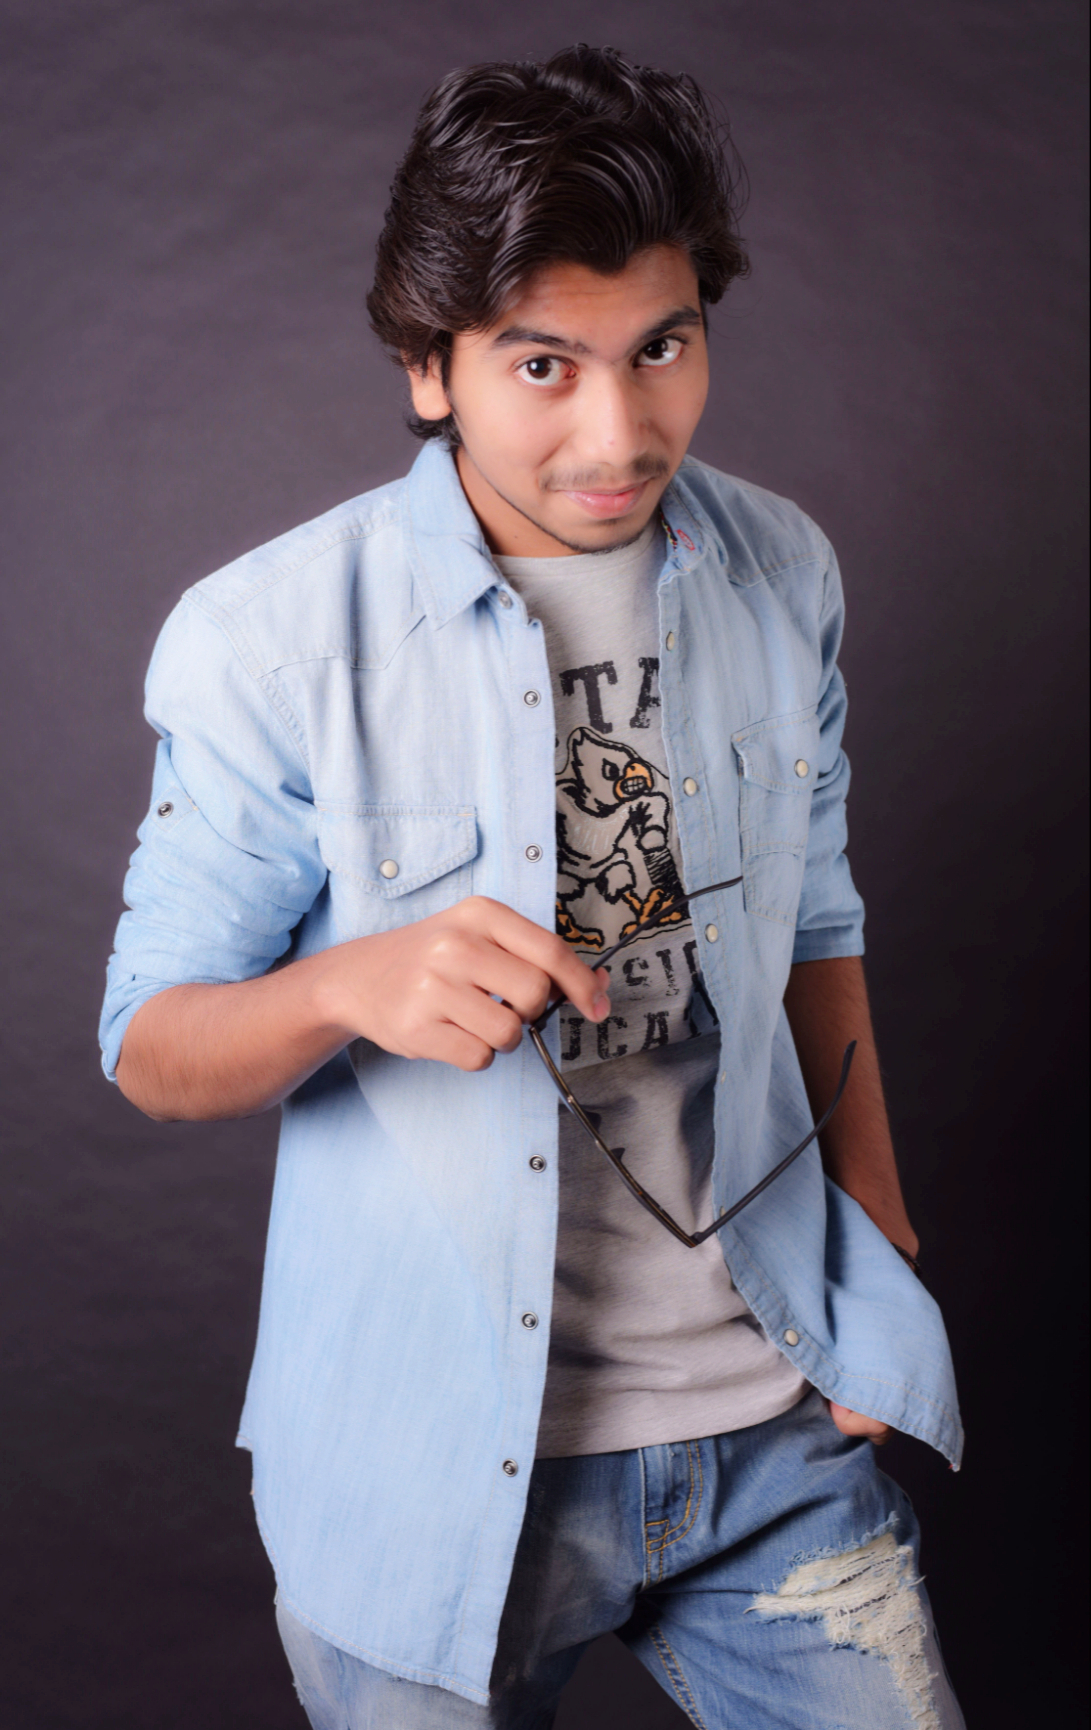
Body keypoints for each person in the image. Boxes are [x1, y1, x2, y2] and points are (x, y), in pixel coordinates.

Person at [99, 44, 965, 1730]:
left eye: (662, 348)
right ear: (429, 365)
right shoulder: (273, 638)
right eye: (544, 364)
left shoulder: (783, 571)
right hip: (435, 1474)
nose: (619, 429)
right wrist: (348, 985)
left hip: (770, 1425)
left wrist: (872, 1216)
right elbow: (149, 1042)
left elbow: (818, 915)